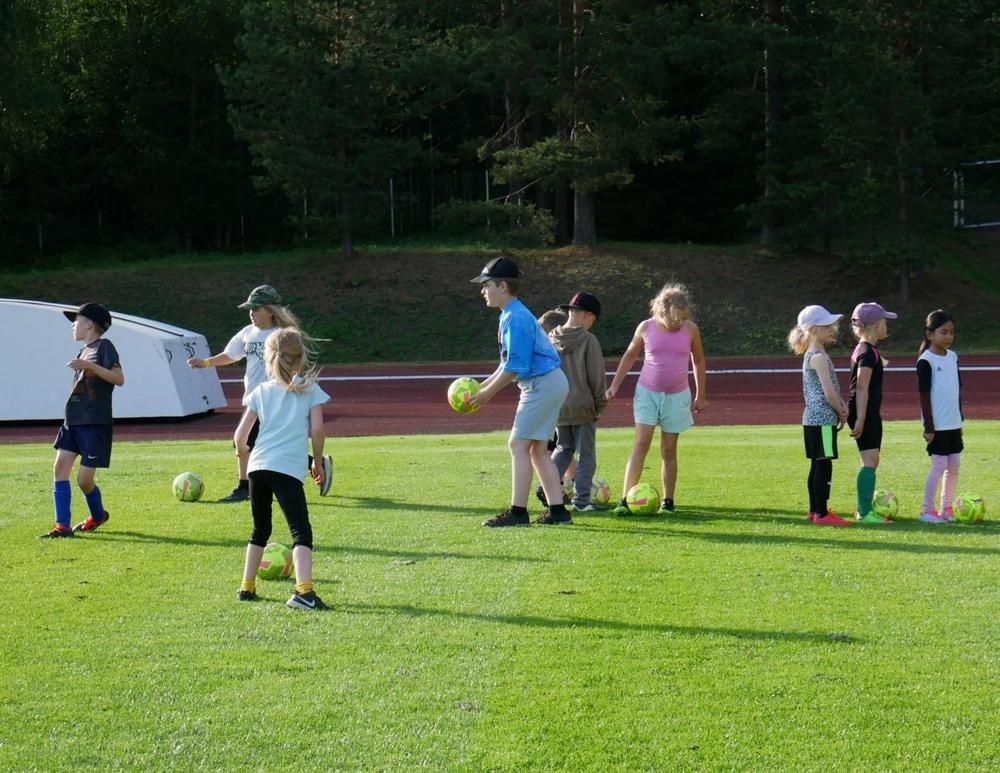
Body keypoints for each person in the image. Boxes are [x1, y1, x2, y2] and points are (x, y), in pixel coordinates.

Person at [187, 285, 331, 502]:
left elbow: (296, 360)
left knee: (247, 441)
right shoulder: (248, 332)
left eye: (256, 309)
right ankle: (313, 463)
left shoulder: (281, 335)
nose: (251, 313)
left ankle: (244, 487)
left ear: (270, 310)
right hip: (255, 397)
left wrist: (298, 383)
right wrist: (206, 363)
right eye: (250, 309)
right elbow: (231, 354)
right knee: (257, 442)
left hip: (275, 398)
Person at [467, 257, 572, 526]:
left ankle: (518, 513)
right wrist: (482, 387)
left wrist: (487, 394)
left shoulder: (515, 317)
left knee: (518, 445)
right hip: (549, 383)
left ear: (502, 286)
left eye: (487, 285)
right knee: (538, 450)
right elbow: (507, 363)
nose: (483, 291)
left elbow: (516, 366)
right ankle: (558, 512)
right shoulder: (511, 314)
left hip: (542, 384)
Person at [235, 328, 331, 609]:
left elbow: (240, 436)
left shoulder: (261, 391)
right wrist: (317, 460)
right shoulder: (310, 390)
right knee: (301, 531)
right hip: (287, 469)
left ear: (268, 358)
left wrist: (243, 451)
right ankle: (304, 592)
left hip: (257, 468)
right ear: (301, 357)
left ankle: (246, 587)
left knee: (260, 529)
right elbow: (317, 429)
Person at [606, 283, 707, 515]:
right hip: (647, 394)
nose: (679, 323)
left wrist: (701, 394)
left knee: (669, 449)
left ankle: (668, 501)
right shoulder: (646, 327)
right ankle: (625, 499)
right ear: (661, 311)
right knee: (641, 443)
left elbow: (699, 360)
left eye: (683, 318)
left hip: (677, 396)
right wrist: (614, 385)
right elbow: (630, 354)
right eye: (674, 319)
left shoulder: (691, 330)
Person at [42, 303, 125, 538]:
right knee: (60, 468)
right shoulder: (83, 351)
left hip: (94, 423)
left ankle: (98, 516)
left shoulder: (104, 346)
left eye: (76, 320)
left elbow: (119, 379)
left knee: (84, 481)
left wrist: (90, 366)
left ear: (89, 324)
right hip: (73, 421)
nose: (73, 325)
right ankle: (62, 527)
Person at [788, 306, 852, 526]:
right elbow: (829, 392)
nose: (833, 329)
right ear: (813, 330)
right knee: (824, 464)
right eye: (827, 326)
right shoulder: (818, 357)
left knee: (817, 464)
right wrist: (841, 410)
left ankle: (814, 510)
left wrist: (840, 405)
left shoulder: (814, 354)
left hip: (813, 419)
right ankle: (822, 513)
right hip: (823, 420)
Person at [549, 292, 608, 512]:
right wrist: (600, 404)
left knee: (563, 448)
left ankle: (546, 487)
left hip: (559, 404)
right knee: (586, 455)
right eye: (594, 319)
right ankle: (582, 501)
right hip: (583, 405)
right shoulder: (588, 340)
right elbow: (596, 377)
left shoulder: (551, 338)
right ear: (587, 315)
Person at [848, 302, 896, 523]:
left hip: (868, 411)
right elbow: (861, 387)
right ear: (876, 326)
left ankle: (863, 509)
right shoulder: (867, 353)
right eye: (884, 322)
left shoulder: (868, 350)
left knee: (871, 460)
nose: (886, 326)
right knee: (870, 460)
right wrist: (860, 418)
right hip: (864, 411)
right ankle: (865, 512)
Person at [917, 310, 962, 524]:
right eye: (943, 332)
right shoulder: (926, 361)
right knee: (938, 466)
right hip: (938, 425)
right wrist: (929, 426)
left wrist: (960, 419)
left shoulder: (953, 357)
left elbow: (956, 390)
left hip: (954, 423)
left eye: (951, 332)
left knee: (954, 466)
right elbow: (924, 395)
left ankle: (946, 508)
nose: (948, 337)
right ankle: (927, 511)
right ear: (930, 334)